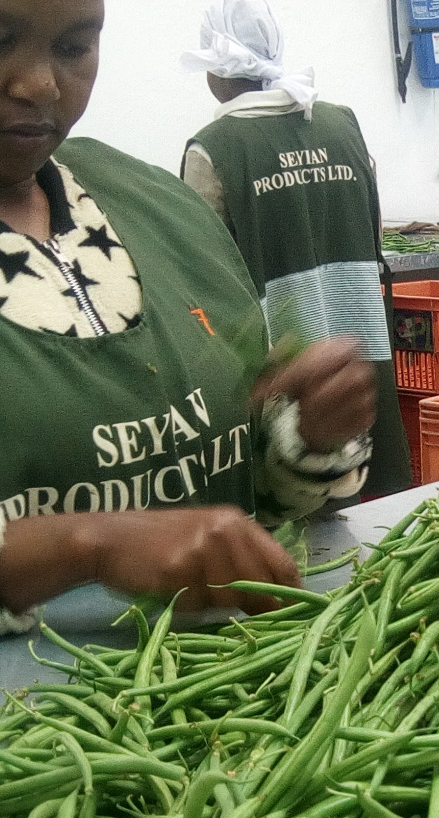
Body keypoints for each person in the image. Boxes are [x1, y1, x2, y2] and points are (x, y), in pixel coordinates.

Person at [0, 0, 375, 644]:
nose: (41, 85)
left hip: (232, 688)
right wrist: (81, 545)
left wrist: (307, 438)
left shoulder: (154, 205)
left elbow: (237, 505)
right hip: (13, 706)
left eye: (75, 45)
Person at [181, 0, 408, 499]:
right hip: (359, 357)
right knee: (375, 511)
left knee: (298, 490)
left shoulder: (214, 149)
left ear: (217, 68)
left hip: (287, 371)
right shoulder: (341, 125)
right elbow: (373, 237)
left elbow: (206, 282)